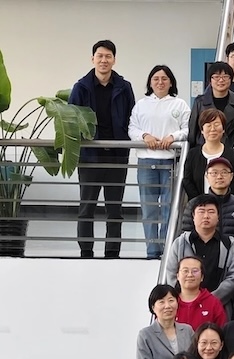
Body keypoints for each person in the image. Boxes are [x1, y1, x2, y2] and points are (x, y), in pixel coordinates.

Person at [69, 39, 135, 258]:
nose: (104, 60)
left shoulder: (124, 87)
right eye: (100, 56)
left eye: (108, 56)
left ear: (114, 60)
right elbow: (71, 119)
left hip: (117, 155)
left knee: (114, 209)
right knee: (87, 207)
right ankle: (86, 252)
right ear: (93, 59)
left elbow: (131, 117)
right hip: (90, 156)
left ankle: (112, 252)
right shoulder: (81, 87)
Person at [129, 65, 190, 259]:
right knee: (148, 209)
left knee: (168, 209)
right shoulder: (141, 105)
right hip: (146, 162)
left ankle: (166, 250)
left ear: (171, 82)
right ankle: (152, 250)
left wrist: (173, 137)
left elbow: (188, 129)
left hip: (170, 162)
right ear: (150, 82)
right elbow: (132, 128)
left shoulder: (180, 104)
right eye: (156, 79)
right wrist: (144, 136)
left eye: (164, 79)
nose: (160, 82)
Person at [166, 194, 234, 315]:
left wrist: (210, 301)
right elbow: (171, 273)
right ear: (193, 216)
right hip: (184, 307)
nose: (206, 216)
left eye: (211, 212)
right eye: (201, 211)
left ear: (218, 217)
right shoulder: (180, 243)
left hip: (218, 307)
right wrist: (187, 298)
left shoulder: (228, 244)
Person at [181, 157, 234, 251]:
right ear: (207, 176)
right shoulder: (194, 204)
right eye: (214, 173)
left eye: (224, 172)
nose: (219, 176)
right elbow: (186, 238)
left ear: (231, 176)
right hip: (201, 257)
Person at [137, 285, 195, 359]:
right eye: (161, 302)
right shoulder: (145, 335)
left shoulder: (188, 330)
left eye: (171, 300)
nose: (167, 306)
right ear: (153, 307)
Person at [182, 109, 234, 200]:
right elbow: (187, 180)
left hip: (227, 203)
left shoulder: (232, 154)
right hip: (199, 204)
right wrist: (200, 201)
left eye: (216, 124)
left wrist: (225, 199)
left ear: (223, 129)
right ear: (202, 130)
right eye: (208, 125)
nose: (213, 129)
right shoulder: (193, 154)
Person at [188, 61, 234, 147]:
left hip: (230, 149)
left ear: (231, 79)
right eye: (216, 77)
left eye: (225, 77)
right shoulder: (200, 102)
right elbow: (192, 132)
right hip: (204, 148)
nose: (221, 80)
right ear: (210, 80)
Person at [175, 256, 227, 330]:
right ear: (177, 276)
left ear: (202, 277)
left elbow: (221, 331)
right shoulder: (170, 302)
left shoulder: (213, 303)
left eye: (195, 271)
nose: (190, 275)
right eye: (185, 271)